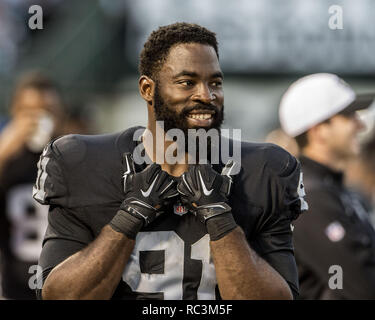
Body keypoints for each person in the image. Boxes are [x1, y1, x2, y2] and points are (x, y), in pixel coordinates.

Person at [33, 23, 306, 300]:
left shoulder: (263, 171)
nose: (206, 95)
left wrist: (220, 218)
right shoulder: (84, 164)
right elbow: (59, 296)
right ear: (147, 89)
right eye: (187, 82)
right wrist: (128, 218)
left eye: (215, 83)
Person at [279, 73, 375, 299]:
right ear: (319, 130)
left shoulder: (332, 189)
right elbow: (361, 288)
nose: (360, 125)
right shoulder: (309, 195)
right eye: (349, 116)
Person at [0, 72, 65, 299]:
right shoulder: (7, 162)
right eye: (29, 112)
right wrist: (5, 149)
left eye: (47, 111)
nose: (38, 119)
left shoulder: (72, 160)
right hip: (14, 287)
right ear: (15, 113)